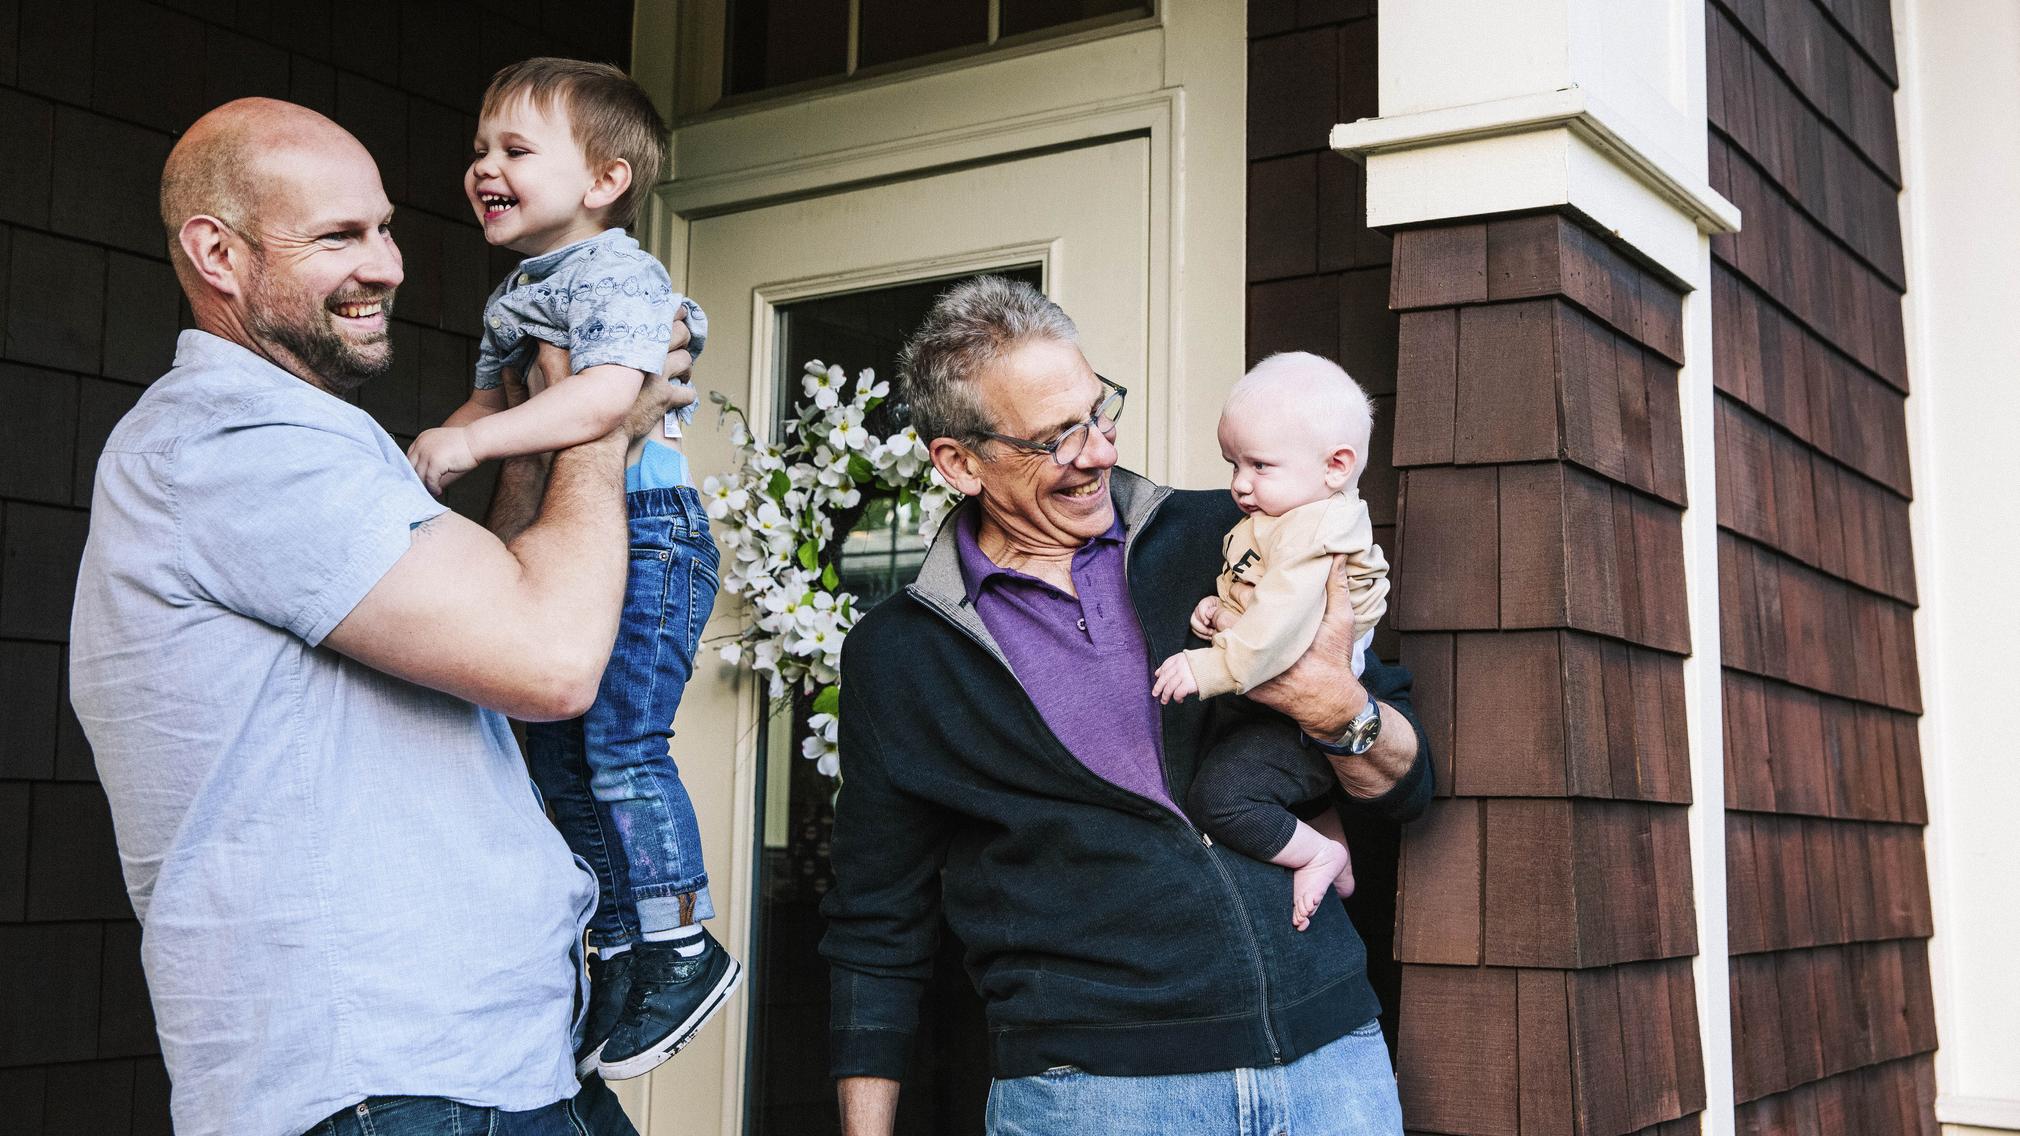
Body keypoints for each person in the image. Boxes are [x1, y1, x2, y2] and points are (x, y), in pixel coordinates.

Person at [68, 97, 681, 1136]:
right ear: (217, 253)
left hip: (493, 1057)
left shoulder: (313, 437)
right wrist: (600, 416)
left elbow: (509, 590)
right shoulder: (231, 445)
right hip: (384, 1076)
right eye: (340, 236)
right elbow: (549, 657)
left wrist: (543, 422)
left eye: (386, 227)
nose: (389, 265)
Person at [820, 277, 1433, 1136]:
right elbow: (877, 922)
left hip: (1333, 1064)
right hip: (1090, 1094)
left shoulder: (1234, 536)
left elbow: (1407, 779)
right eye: (1052, 438)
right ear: (958, 462)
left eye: (1099, 411)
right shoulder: (900, 654)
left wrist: (1340, 711)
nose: (1099, 451)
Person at [407, 56, 741, 1082]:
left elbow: (603, 401)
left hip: (648, 530)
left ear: (604, 180)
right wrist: (414, 459)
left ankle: (683, 942)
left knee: (623, 744)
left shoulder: (616, 274)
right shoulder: (519, 290)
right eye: (478, 150)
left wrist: (470, 447)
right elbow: (491, 407)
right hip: (585, 531)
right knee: (557, 752)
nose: (483, 167)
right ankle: (622, 944)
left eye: (514, 149)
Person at [1149, 351, 1391, 931]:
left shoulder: (1318, 530)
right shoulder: (1283, 513)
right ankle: (1323, 827)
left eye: (1259, 465)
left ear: (1335, 467)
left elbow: (1282, 623)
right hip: (1272, 706)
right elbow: (1253, 583)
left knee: (1222, 797)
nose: (1238, 483)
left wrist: (1210, 665)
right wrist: (1220, 607)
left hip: (1298, 720)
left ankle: (1318, 853)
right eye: (1232, 463)